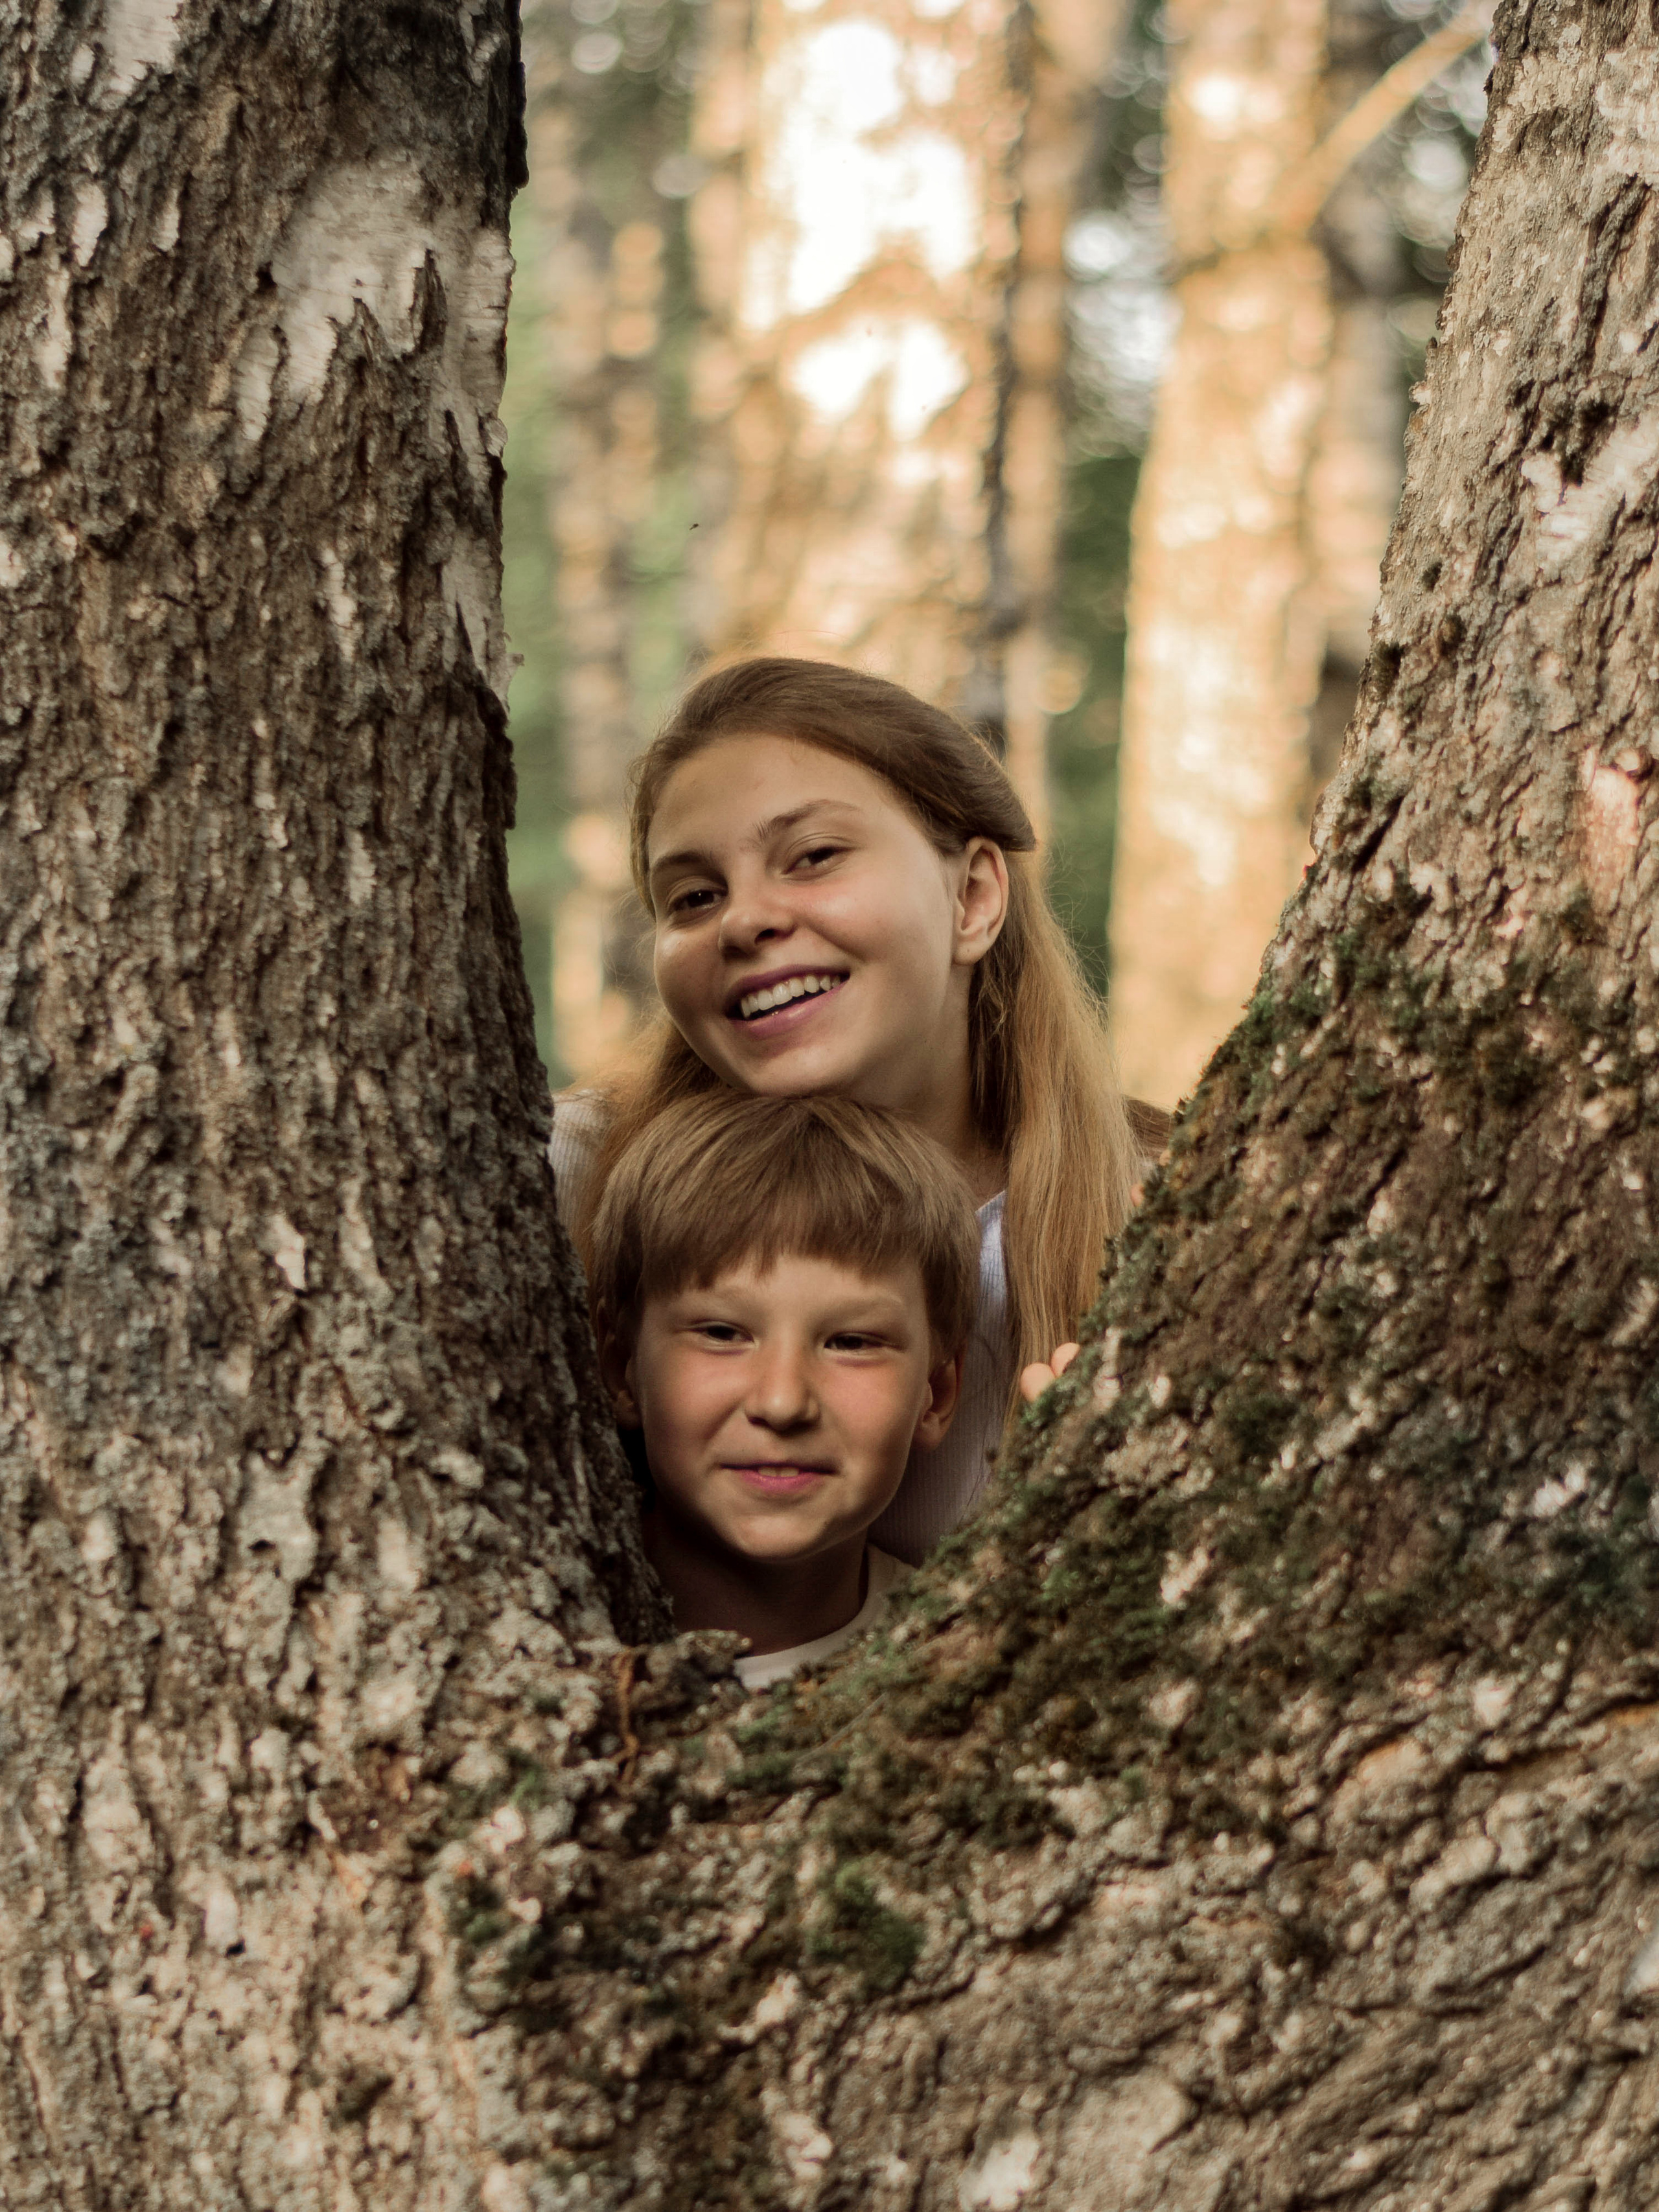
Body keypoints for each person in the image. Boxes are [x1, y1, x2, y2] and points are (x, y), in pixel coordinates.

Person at [554, 656, 1169, 1562]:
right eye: (693, 895)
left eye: (813, 857)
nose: (742, 920)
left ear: (973, 897)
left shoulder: (1155, 1218)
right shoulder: (565, 1179)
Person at [586, 1090, 981, 1688]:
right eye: (722, 1333)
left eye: (852, 1343)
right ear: (621, 1369)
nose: (782, 1402)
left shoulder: (971, 1660)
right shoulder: (538, 1634)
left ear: (937, 1392)